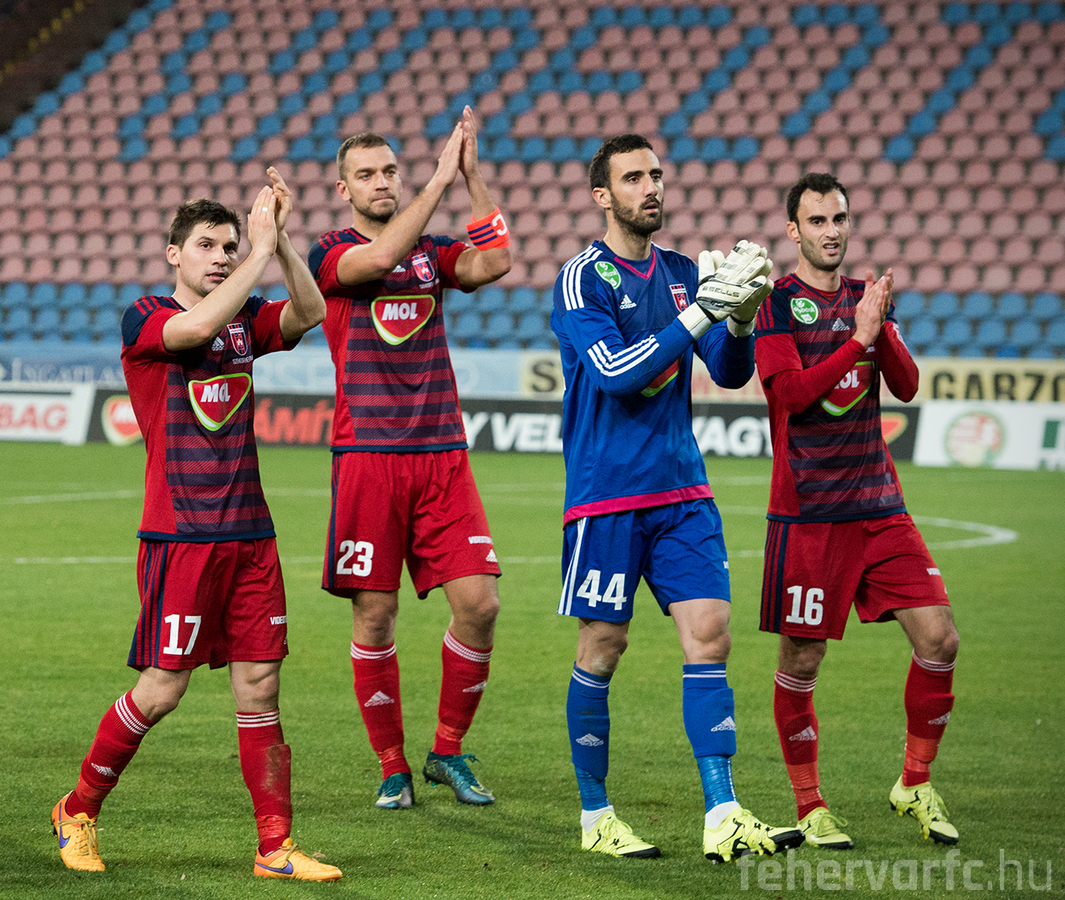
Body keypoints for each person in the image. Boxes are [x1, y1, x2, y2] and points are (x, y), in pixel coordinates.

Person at [51, 176, 340, 881]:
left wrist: (281, 241)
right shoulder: (146, 317)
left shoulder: (245, 320)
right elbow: (195, 329)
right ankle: (77, 810)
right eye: (207, 246)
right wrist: (256, 256)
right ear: (173, 253)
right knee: (161, 690)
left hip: (251, 536)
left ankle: (274, 847)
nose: (221, 256)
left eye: (230, 246)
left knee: (260, 686)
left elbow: (311, 311)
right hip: (180, 536)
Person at [551, 133, 801, 862]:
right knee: (603, 646)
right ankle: (596, 815)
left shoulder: (685, 272)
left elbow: (728, 371)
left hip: (683, 490)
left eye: (656, 174)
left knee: (711, 635)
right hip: (606, 496)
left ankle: (722, 810)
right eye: (633, 177)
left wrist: (740, 318)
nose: (651, 187)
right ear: (603, 196)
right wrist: (700, 314)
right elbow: (617, 372)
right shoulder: (582, 279)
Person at [307, 109, 511, 811]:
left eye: (390, 170)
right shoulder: (330, 253)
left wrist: (472, 178)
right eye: (367, 174)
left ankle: (447, 751)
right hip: (367, 456)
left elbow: (495, 261)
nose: (382, 182)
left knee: (480, 605)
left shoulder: (432, 251)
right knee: (375, 615)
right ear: (343, 189)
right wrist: (436, 183)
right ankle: (391, 765)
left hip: (442, 454)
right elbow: (375, 261)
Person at [757, 173, 959, 848]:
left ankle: (915, 782)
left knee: (940, 639)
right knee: (802, 660)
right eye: (817, 221)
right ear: (794, 231)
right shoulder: (775, 306)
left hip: (879, 507)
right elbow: (790, 394)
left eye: (839, 218)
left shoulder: (865, 298)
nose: (832, 231)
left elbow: (907, 384)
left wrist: (879, 328)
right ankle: (810, 804)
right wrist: (855, 340)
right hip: (809, 514)